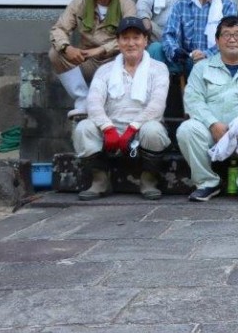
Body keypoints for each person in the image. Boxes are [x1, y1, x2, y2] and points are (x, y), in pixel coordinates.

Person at [176, 16, 238, 203]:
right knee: (187, 129)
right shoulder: (202, 68)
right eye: (226, 35)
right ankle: (207, 183)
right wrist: (212, 124)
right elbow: (193, 100)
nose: (232, 39)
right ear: (217, 41)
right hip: (212, 135)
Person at [73, 17, 171, 201]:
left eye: (136, 37)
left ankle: (148, 180)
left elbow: (157, 105)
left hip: (141, 128)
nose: (131, 43)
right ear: (118, 42)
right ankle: (100, 180)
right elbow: (93, 102)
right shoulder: (105, 70)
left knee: (154, 131)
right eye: (125, 38)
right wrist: (107, 127)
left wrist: (133, 127)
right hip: (110, 128)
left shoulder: (159, 69)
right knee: (83, 128)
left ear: (145, 41)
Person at [50, 0, 137, 117]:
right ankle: (83, 99)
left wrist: (102, 49)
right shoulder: (79, 3)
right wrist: (67, 47)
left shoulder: (127, 5)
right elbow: (59, 29)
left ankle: (118, 105)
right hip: (87, 60)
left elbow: (131, 38)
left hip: (116, 60)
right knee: (55, 53)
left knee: (134, 53)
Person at [161, 0, 237, 77]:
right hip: (187, 59)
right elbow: (169, 34)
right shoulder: (181, 5)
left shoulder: (226, 5)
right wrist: (175, 51)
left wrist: (206, 54)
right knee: (156, 49)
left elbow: (231, 38)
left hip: (218, 60)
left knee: (201, 64)